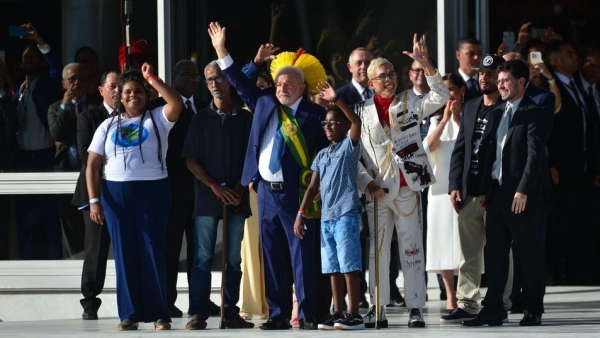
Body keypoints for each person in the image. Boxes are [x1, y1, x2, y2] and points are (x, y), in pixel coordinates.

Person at [208, 21, 329, 330]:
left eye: (289, 84)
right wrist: (221, 49)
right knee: (272, 256)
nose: (282, 87)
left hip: (297, 195)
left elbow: (327, 157)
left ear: (302, 88)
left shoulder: (315, 116)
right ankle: (277, 314)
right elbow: (236, 80)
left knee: (301, 255)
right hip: (265, 193)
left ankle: (306, 313)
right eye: (279, 83)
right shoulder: (263, 103)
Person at [356, 34, 450, 329]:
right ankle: (378, 306)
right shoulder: (360, 112)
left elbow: (442, 97)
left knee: (411, 248)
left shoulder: (409, 101)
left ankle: (415, 307)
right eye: (382, 76)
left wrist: (425, 64)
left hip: (408, 185)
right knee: (378, 251)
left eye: (392, 74)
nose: (389, 80)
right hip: (378, 190)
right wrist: (365, 183)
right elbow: (354, 155)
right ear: (370, 83)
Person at [86, 64, 183, 331]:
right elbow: (93, 165)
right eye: (127, 91)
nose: (132, 96)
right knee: (125, 254)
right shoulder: (106, 126)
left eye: (138, 91)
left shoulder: (158, 119)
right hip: (115, 196)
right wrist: (94, 201)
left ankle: (159, 313)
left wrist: (152, 78)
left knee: (153, 251)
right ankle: (128, 314)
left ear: (147, 94)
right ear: (120, 96)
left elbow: (175, 101)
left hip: (152, 192)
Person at [464, 59, 548, 327]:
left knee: (527, 251)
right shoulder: (498, 111)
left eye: (505, 80)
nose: (499, 84)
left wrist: (523, 190)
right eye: (498, 80)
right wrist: (484, 190)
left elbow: (535, 157)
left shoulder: (534, 111)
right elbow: (490, 153)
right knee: (495, 253)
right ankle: (493, 308)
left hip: (522, 195)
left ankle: (533, 308)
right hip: (497, 193)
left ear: (521, 82)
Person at [183, 61, 254, 330]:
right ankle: (198, 312)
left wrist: (237, 189)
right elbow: (190, 159)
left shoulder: (246, 118)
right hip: (207, 197)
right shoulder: (200, 118)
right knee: (202, 258)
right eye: (209, 80)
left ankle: (230, 310)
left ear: (230, 81)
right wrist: (215, 187)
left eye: (219, 78)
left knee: (233, 259)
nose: (214, 84)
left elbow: (253, 157)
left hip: (236, 197)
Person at [444, 54, 512, 323]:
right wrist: (453, 185)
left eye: (490, 73)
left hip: (494, 193)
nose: (484, 77)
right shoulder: (470, 106)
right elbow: (460, 149)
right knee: (468, 252)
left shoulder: (507, 109)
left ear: (500, 76)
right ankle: (467, 302)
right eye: (482, 73)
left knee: (500, 251)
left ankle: (502, 301)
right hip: (468, 191)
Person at [294, 82, 363, 330]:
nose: (328, 127)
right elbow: (312, 188)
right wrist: (300, 214)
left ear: (344, 127)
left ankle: (354, 314)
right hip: (326, 217)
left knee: (349, 265)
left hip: (346, 213)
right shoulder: (322, 155)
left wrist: (337, 101)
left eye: (333, 123)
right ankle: (338, 311)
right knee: (332, 267)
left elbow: (357, 123)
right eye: (325, 124)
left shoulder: (349, 146)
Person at [546, 41, 600, 285]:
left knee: (578, 220)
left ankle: (575, 270)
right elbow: (550, 130)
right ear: (556, 60)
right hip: (561, 167)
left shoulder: (576, 85)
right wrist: (552, 163)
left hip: (581, 166)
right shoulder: (552, 87)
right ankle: (554, 272)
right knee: (559, 220)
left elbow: (588, 126)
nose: (575, 57)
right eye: (569, 53)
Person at [158, 60, 209, 318]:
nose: (191, 80)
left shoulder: (204, 108)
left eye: (194, 76)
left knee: (200, 249)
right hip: (172, 190)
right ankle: (166, 300)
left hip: (200, 190)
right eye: (185, 75)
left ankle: (199, 301)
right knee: (171, 248)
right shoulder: (160, 109)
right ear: (174, 77)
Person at [11, 23, 63, 260]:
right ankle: (26, 264)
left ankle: (53, 264)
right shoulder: (19, 91)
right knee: (25, 217)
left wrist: (39, 40)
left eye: (33, 56)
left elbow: (55, 69)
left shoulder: (46, 85)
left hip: (43, 158)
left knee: (48, 215)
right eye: (25, 57)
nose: (29, 60)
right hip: (22, 159)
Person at [72, 70, 119, 320]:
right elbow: (84, 154)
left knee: (127, 248)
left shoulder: (131, 115)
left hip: (123, 193)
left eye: (121, 86)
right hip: (96, 194)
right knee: (96, 251)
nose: (118, 91)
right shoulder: (90, 117)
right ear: (101, 90)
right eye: (112, 86)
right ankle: (90, 302)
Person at [423, 73, 465, 313]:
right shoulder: (434, 119)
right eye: (444, 90)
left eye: (452, 89)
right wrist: (444, 120)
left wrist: (457, 117)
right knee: (441, 243)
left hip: (462, 187)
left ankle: (465, 293)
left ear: (461, 91)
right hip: (439, 190)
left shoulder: (470, 116)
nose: (449, 94)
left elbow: (469, 142)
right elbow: (427, 147)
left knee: (463, 243)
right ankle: (450, 296)